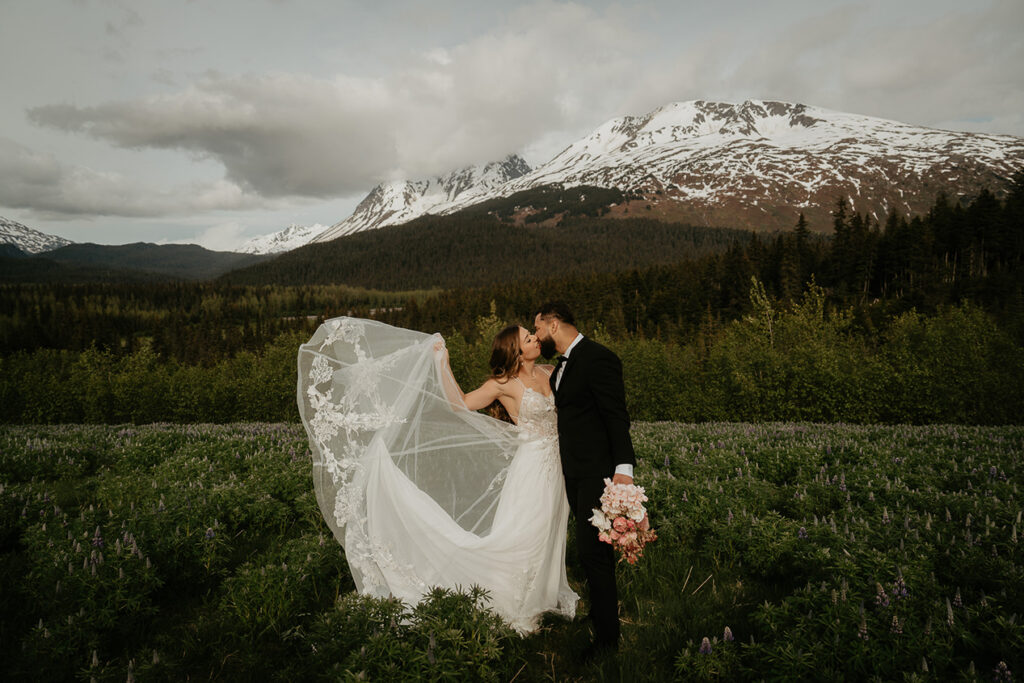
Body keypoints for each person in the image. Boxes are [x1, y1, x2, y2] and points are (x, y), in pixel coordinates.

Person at [297, 317, 577, 635]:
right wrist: (441, 361)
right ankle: (514, 601)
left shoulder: (551, 372)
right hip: (532, 470)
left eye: (532, 336)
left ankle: (540, 595)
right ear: (515, 350)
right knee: (526, 532)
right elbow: (459, 405)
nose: (535, 340)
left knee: (550, 528)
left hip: (557, 466)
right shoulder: (502, 385)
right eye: (528, 339)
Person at [533, 301, 636, 659]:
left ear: (555, 324)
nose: (537, 336)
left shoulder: (597, 358)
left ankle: (608, 640)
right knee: (590, 550)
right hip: (574, 473)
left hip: (597, 473)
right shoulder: (562, 365)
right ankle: (599, 612)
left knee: (594, 553)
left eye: (539, 329)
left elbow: (616, 416)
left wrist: (624, 468)